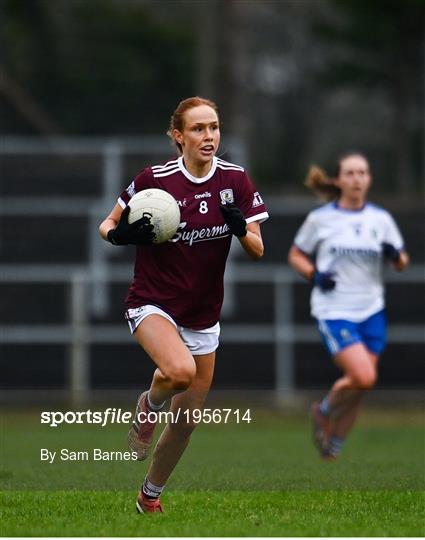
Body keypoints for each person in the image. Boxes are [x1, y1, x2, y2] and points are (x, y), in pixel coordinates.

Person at [99, 96, 269, 512]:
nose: (208, 135)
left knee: (186, 422)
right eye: (198, 128)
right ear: (178, 136)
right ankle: (147, 405)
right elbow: (108, 224)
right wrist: (119, 237)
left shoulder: (235, 180)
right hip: (152, 302)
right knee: (177, 371)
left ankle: (148, 498)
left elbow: (258, 249)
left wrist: (239, 229)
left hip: (202, 315)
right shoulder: (154, 180)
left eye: (213, 127)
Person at [288, 152, 409, 460]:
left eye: (363, 173)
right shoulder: (321, 218)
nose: (357, 178)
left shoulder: (380, 220)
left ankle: (333, 448)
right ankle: (323, 410)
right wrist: (315, 275)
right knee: (364, 376)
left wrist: (395, 255)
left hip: (372, 311)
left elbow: (402, 262)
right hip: (335, 310)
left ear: (369, 180)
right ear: (339, 180)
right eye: (351, 173)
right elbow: (296, 256)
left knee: (360, 386)